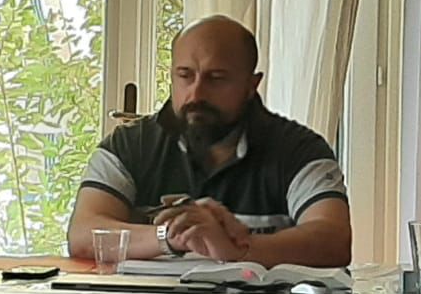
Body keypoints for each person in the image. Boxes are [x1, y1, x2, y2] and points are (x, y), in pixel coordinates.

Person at [67, 15, 352, 267]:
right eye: (185, 76)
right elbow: (82, 235)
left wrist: (238, 249)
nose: (196, 94)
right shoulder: (129, 146)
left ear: (251, 85)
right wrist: (171, 236)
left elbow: (334, 240)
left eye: (216, 78)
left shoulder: (299, 151)